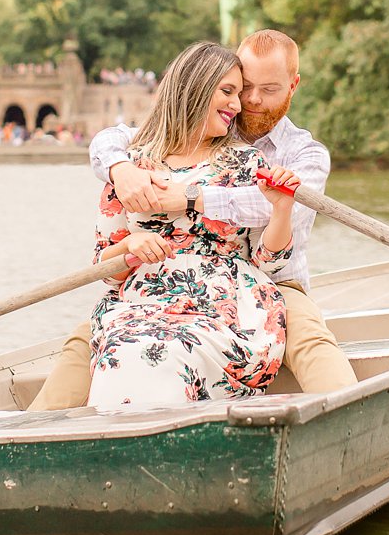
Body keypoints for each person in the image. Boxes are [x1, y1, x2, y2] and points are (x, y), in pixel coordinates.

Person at [29, 29, 357, 411]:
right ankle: (22, 442)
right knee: (88, 343)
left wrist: (190, 197)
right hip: (144, 296)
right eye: (239, 88)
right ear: (198, 89)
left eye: (267, 89)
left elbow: (265, 213)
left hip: (266, 285)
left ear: (292, 86)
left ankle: (350, 419)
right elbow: (111, 143)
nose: (248, 100)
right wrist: (120, 169)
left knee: (309, 338)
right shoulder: (142, 156)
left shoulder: (299, 154)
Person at [86, 41, 299, 409]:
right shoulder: (129, 169)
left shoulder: (246, 163)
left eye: (239, 92)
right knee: (125, 350)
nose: (238, 104)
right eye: (228, 91)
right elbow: (106, 271)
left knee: (167, 351)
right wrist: (129, 248)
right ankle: (119, 446)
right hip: (141, 306)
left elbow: (268, 262)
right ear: (195, 87)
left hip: (222, 309)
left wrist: (281, 210)